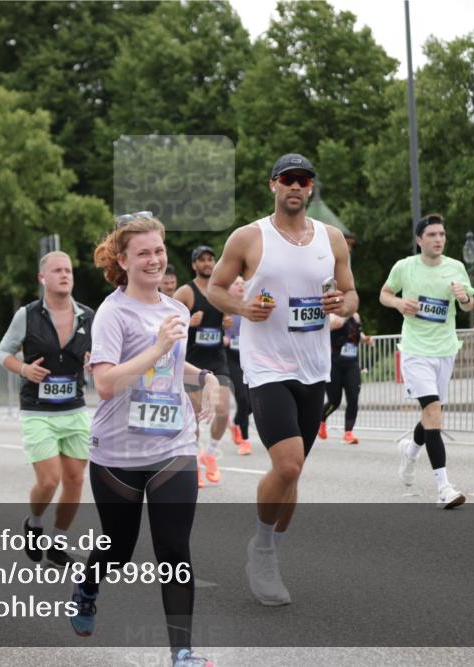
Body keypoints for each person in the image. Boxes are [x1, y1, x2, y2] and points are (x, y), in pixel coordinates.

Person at [206, 153, 357, 606]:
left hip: (314, 369)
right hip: (267, 366)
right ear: (273, 185)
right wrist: (242, 308)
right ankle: (264, 549)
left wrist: (342, 306)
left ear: (311, 188)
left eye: (304, 180)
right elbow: (215, 288)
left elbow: (350, 294)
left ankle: (267, 544)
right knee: (288, 464)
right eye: (288, 179)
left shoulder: (331, 240)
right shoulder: (249, 237)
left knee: (292, 476)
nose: (296, 186)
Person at [72, 212, 218, 667]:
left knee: (173, 550)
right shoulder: (112, 314)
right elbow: (107, 383)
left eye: (158, 251)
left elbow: (171, 366)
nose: (154, 260)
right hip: (118, 452)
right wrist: (155, 347)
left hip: (172, 444)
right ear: (124, 260)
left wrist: (206, 376)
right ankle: (89, 584)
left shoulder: (175, 309)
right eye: (143, 254)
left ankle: (182, 653)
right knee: (117, 546)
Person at [0, 251, 93, 568]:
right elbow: (3, 353)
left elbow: (103, 355)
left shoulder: (88, 316)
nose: (64, 275)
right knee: (50, 480)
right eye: (57, 270)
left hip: (74, 407)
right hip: (37, 409)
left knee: (76, 480)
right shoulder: (28, 314)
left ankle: (59, 541)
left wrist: (94, 363)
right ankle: (34, 523)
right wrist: (24, 370)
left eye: (68, 270)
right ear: (43, 278)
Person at [379, 213, 474, 509]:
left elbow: (469, 303)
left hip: (445, 349)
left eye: (442, 235)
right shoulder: (405, 267)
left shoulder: (456, 268)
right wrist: (398, 303)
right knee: (433, 410)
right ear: (420, 240)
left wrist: (463, 298)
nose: (438, 239)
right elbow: (384, 294)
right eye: (432, 235)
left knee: (431, 414)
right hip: (415, 350)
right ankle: (443, 487)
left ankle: (409, 452)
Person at [173, 245, 233, 487]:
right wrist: (188, 322)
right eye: (202, 260)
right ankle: (195, 464)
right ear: (194, 265)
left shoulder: (221, 291)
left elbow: (228, 319)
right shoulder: (185, 293)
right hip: (193, 364)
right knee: (195, 418)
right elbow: (167, 323)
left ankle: (211, 452)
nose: (207, 263)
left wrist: (227, 321)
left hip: (218, 360)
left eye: (211, 259)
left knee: (224, 410)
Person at [318, 313, 373, 445]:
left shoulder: (356, 316)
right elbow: (336, 324)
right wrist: (346, 314)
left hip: (352, 364)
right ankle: (321, 420)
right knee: (334, 401)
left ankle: (348, 433)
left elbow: (356, 331)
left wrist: (365, 339)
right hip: (334, 364)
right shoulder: (333, 315)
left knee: (353, 398)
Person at [224, 277, 252, 456]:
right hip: (230, 359)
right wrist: (222, 335)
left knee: (251, 404)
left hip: (249, 358)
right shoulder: (224, 308)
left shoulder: (249, 306)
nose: (241, 286)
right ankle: (245, 440)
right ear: (228, 289)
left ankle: (235, 423)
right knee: (242, 397)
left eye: (243, 283)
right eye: (236, 283)